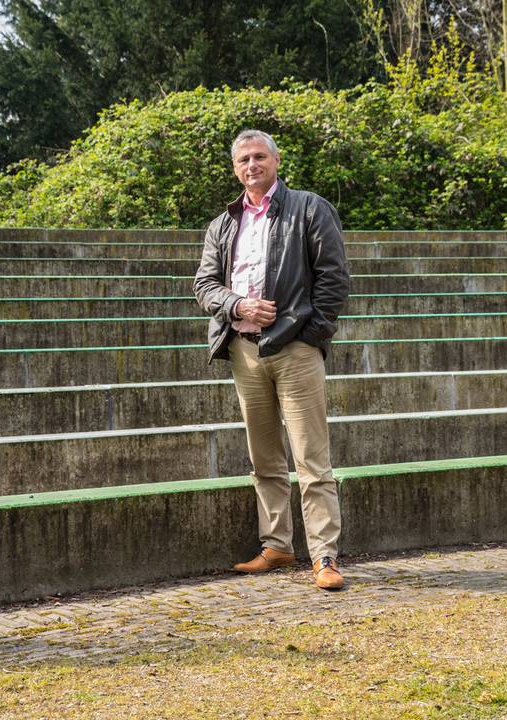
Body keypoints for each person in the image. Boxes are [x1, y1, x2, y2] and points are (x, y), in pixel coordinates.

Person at [193, 129, 352, 591]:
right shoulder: (224, 223)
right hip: (244, 351)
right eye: (243, 159)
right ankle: (277, 545)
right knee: (264, 458)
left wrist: (309, 334)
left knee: (310, 459)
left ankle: (324, 555)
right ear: (235, 167)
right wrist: (238, 306)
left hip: (296, 349)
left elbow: (333, 279)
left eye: (259, 157)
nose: (251, 165)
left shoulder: (309, 208)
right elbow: (204, 286)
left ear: (276, 161)